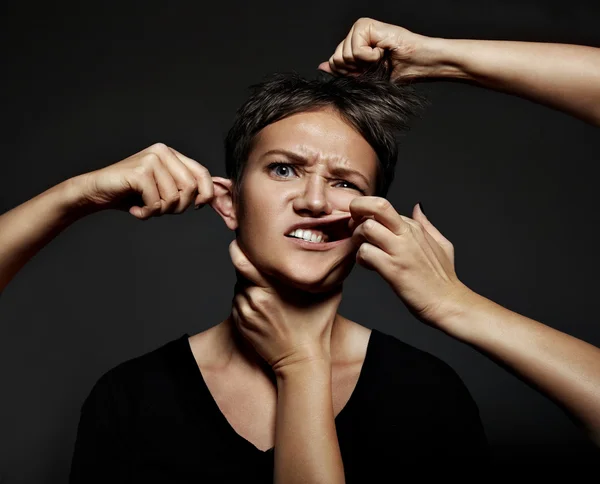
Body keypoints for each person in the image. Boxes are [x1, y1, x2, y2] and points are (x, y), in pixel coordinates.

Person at [0, 16, 598, 483]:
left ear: (370, 219)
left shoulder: (428, 395)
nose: (315, 201)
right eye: (284, 170)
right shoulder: (129, 398)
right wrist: (76, 193)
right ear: (228, 202)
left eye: (345, 183)